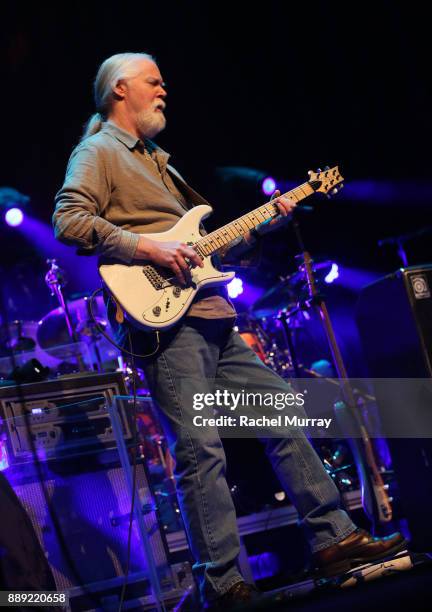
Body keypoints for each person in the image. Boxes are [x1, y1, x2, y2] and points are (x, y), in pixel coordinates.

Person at [53, 52, 406, 610]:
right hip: (166, 325)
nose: (165, 89)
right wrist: (149, 246)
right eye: (154, 81)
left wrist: (272, 216)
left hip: (214, 314)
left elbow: (206, 246)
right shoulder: (98, 151)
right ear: (120, 89)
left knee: (281, 414)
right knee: (200, 451)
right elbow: (70, 219)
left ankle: (334, 539)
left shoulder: (161, 163)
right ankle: (221, 584)